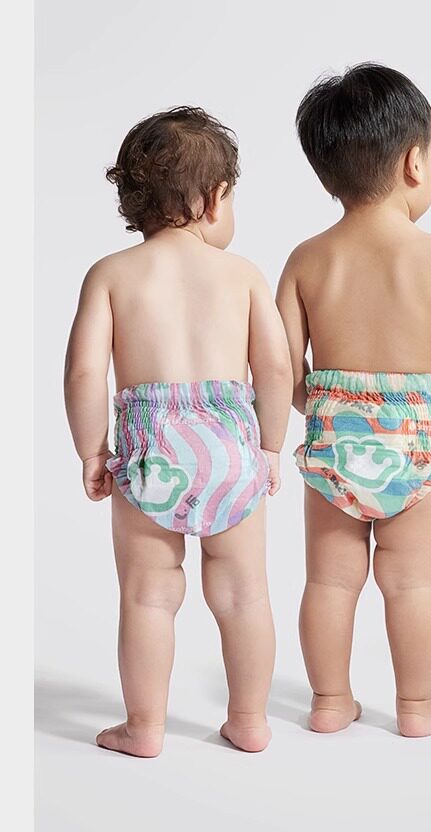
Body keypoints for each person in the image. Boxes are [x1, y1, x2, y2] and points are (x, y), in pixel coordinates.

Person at [277, 63, 431, 737]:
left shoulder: (307, 259)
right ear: (414, 163)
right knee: (412, 584)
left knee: (329, 583)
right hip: (415, 449)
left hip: (334, 445)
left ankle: (329, 702)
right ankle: (416, 708)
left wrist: (324, 406)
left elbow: (280, 368)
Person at [64, 107, 292, 755]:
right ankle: (249, 720)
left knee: (147, 596)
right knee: (244, 595)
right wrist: (270, 446)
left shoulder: (111, 274)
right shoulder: (243, 275)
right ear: (214, 200)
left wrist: (92, 451)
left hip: (150, 452)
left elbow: (84, 372)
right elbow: (276, 368)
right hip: (230, 449)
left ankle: (144, 727)